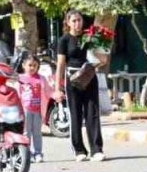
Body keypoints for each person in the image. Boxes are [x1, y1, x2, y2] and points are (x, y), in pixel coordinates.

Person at [53, 10, 106, 162]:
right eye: (74, 21)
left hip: (89, 77)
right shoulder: (64, 40)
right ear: (68, 22)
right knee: (75, 114)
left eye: (79, 20)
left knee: (93, 112)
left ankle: (96, 149)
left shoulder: (89, 38)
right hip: (72, 79)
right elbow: (61, 64)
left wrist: (103, 49)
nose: (77, 23)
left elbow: (101, 59)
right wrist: (58, 88)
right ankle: (79, 150)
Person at [19, 54, 48, 162]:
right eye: (29, 65)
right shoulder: (20, 79)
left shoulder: (41, 78)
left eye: (35, 65)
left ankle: (38, 153)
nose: (32, 68)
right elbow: (17, 94)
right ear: (23, 65)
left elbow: (48, 91)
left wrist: (55, 94)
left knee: (37, 132)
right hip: (25, 109)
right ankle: (27, 153)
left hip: (38, 110)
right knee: (26, 132)